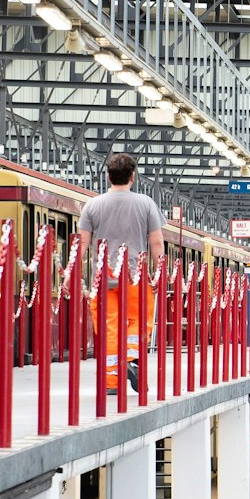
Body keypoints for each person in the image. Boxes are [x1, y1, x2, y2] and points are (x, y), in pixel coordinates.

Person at [77, 153, 164, 393]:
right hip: (135, 275)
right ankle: (131, 359)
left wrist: (69, 274)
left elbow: (82, 244)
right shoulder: (146, 204)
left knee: (109, 327)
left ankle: (112, 382)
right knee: (138, 321)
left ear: (108, 176)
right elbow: (156, 242)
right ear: (132, 176)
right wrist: (161, 272)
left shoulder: (93, 205)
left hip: (103, 278)